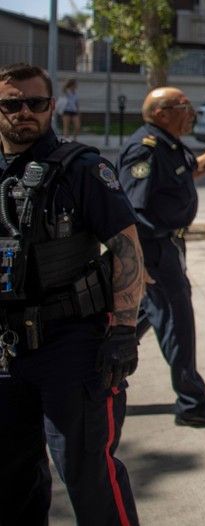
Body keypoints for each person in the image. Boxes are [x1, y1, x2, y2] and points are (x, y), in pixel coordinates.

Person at [0, 63, 144, 525]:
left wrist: (123, 330)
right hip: (6, 348)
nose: (24, 112)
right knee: (13, 473)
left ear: (51, 107)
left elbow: (125, 247)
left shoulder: (81, 167)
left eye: (35, 103)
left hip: (72, 344)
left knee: (87, 474)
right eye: (11, 104)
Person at [117, 87, 205, 426]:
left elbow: (192, 172)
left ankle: (94, 371)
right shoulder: (145, 150)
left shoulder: (168, 143)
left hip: (167, 247)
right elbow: (129, 211)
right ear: (162, 113)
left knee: (150, 317)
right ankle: (193, 403)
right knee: (177, 323)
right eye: (184, 106)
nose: (191, 112)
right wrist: (140, 263)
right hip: (155, 251)